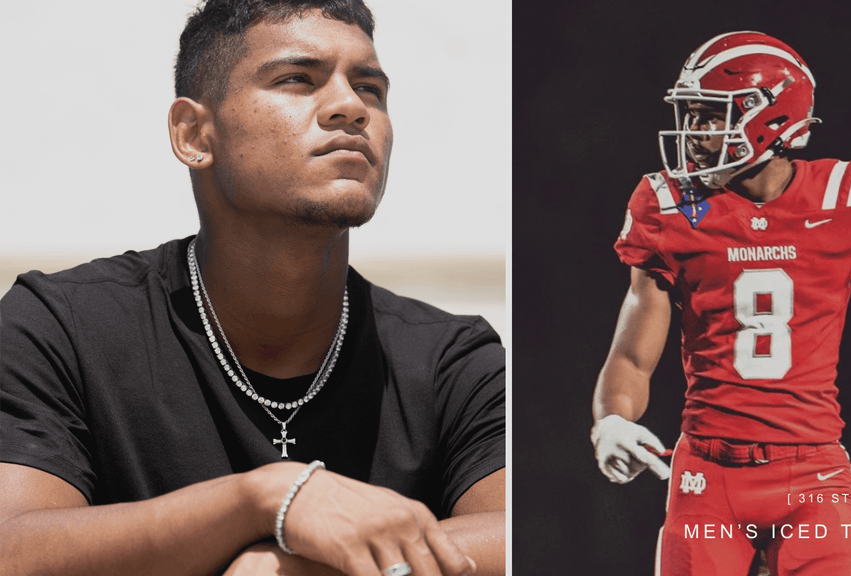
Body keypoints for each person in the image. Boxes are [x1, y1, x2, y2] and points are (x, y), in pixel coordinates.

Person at [0, 1, 505, 575]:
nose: (350, 108)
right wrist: (265, 500)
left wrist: (292, 569)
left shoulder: (452, 361)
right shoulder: (60, 327)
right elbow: (13, 549)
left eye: (370, 89)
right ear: (194, 134)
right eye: (297, 79)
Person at [589, 31, 851, 576]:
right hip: (707, 473)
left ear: (770, 120)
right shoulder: (670, 206)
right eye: (693, 114)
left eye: (710, 115)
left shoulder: (849, 198)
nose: (695, 132)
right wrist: (612, 420)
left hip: (814, 475)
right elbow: (632, 357)